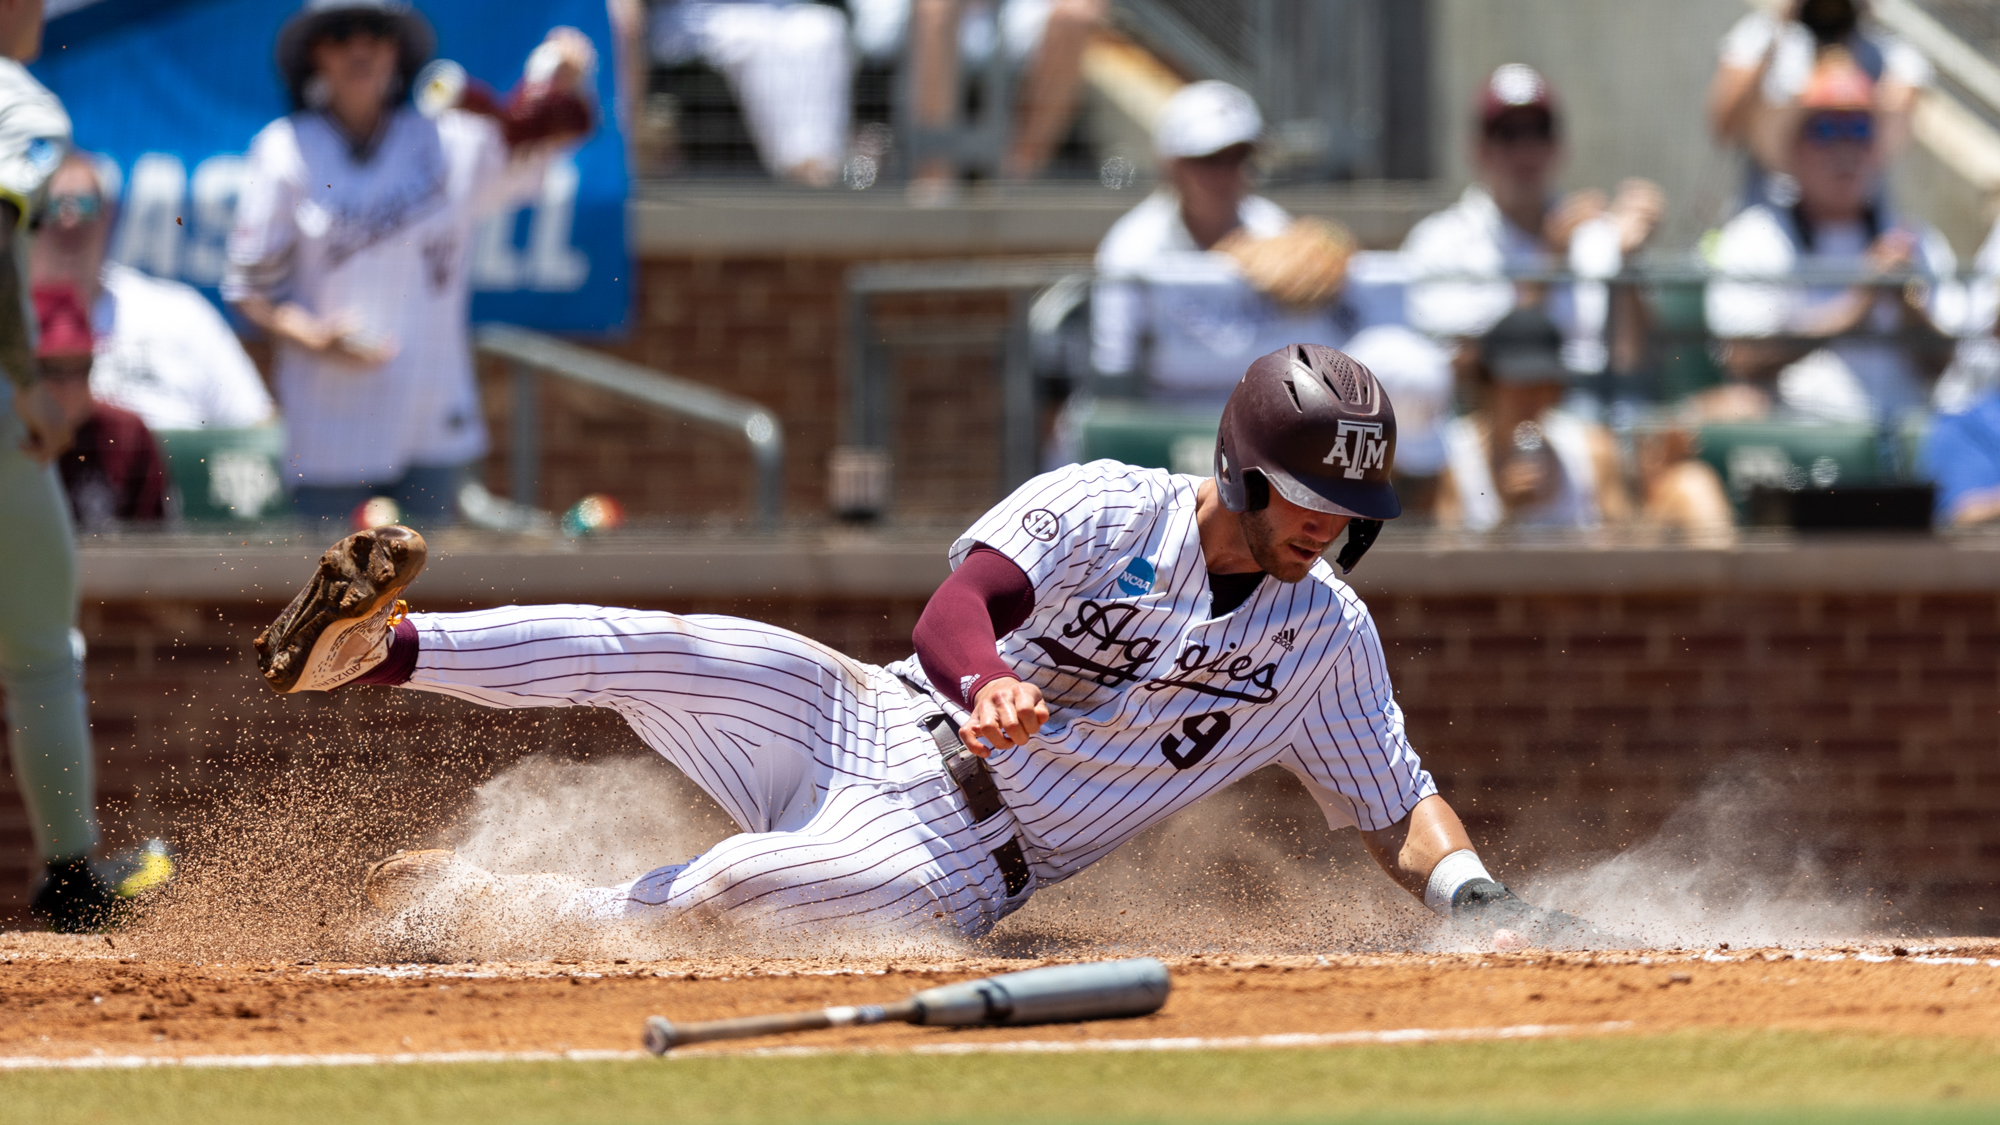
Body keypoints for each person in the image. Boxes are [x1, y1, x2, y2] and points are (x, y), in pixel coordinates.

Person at [252, 343, 1617, 951]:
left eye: (1353, 506)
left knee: (741, 892)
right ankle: (378, 650)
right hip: (871, 714)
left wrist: (1473, 896)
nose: (1335, 526)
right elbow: (954, 610)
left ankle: (477, 911)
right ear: (1248, 468)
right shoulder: (1105, 503)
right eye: (1316, 494)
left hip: (965, 853)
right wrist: (991, 678)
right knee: (652, 642)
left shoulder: (1326, 638)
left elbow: (1394, 798)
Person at [223, 0, 596, 528]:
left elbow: (539, 138)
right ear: (315, 55)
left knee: (438, 602)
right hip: (330, 429)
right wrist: (314, 336)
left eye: (376, 32)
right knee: (343, 604)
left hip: (433, 419)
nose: (360, 47)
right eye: (340, 34)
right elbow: (249, 289)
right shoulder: (283, 150)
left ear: (397, 50)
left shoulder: (447, 139)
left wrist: (569, 81)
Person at [0, 0, 127, 931]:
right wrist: (23, 377)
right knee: (42, 647)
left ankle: (73, 870)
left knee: (43, 640)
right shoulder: (16, 99)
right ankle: (72, 874)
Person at [1704, 52, 1957, 425]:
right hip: (1797, 447)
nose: (1845, 149)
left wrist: (1908, 304)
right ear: (1793, 147)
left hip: (1903, 450)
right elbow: (1742, 357)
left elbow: (1946, 364)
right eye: (1824, 129)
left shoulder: (1917, 240)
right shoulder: (1752, 239)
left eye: (1859, 130)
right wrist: (1855, 304)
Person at [1403, 64, 1663, 388]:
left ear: (1558, 146)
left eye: (1538, 132)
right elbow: (1461, 370)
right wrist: (1547, 267)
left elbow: (1630, 363)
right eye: (1508, 134)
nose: (1525, 152)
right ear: (1479, 149)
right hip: (1492, 418)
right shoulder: (1440, 241)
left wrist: (1627, 265)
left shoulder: (1599, 235)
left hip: (1590, 411)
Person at [29, 153, 274, 433]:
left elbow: (258, 426)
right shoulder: (10, 321)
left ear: (109, 214)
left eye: (85, 205)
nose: (68, 220)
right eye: (52, 206)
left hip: (169, 471)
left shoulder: (180, 314)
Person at [1707, 0, 1929, 212]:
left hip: (1855, 222)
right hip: (1771, 213)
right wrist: (1780, 25)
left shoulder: (1888, 53)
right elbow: (1725, 126)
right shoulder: (1763, 36)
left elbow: (1886, 138)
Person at [881, 0, 1107, 196]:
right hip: (919, 13)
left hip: (1011, 11)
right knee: (937, 7)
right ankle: (934, 185)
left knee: (1077, 13)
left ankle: (1016, 180)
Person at [649, 0, 853, 186]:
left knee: (825, 27)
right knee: (759, 40)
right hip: (695, 18)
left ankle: (819, 162)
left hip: (771, 10)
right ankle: (796, 169)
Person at [33, 285, 167, 530]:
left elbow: (156, 546)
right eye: (54, 372)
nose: (71, 387)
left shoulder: (126, 434)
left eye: (83, 369)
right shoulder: (9, 438)